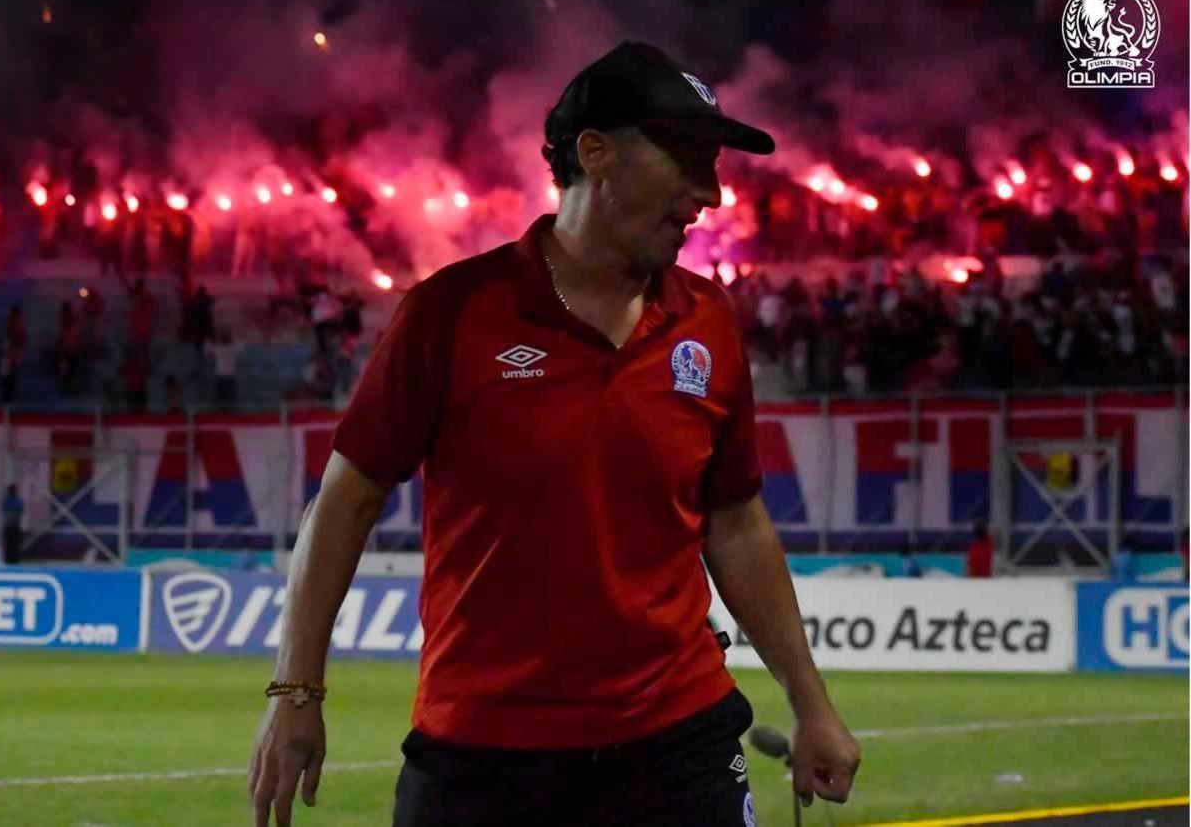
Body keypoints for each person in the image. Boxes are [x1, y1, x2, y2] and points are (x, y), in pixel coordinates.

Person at [248, 41, 860, 827]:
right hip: (484, 757)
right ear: (595, 153)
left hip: (681, 746)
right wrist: (296, 692)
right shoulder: (452, 314)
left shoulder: (708, 324)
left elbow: (735, 523)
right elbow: (344, 502)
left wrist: (812, 704)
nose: (708, 194)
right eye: (686, 161)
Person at [0, 483, 23, 565]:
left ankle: (12, 559)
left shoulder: (16, 501)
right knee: (11, 544)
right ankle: (10, 559)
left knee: (13, 544)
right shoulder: (9, 501)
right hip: (11, 525)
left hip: (12, 525)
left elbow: (19, 511)